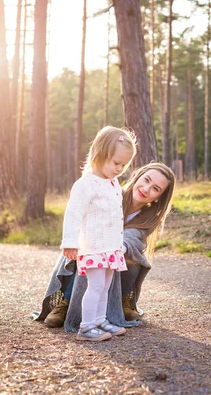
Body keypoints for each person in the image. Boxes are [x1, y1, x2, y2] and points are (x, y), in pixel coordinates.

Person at [35, 162, 176, 337]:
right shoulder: (111, 194)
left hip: (116, 257)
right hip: (93, 249)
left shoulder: (148, 219)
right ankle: (66, 302)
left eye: (155, 189)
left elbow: (132, 239)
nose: (146, 189)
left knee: (135, 257)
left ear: (158, 197)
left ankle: (123, 300)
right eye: (146, 180)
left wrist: (118, 248)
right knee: (85, 255)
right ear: (137, 176)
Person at [59, 126, 137, 341]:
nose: (120, 169)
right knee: (94, 287)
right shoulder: (85, 185)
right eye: (116, 163)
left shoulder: (113, 183)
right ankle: (86, 327)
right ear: (99, 154)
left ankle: (101, 320)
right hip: (93, 247)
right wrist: (70, 242)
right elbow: (73, 214)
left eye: (124, 165)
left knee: (105, 287)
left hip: (111, 248)